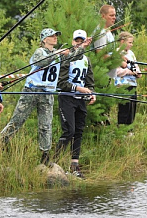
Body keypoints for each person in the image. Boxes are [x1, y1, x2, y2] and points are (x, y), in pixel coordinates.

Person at [0, 28, 70, 166]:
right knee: (17, 120)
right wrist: (58, 53)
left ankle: (45, 155)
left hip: (47, 93)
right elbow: (41, 62)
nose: (55, 37)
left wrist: (82, 47)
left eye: (56, 35)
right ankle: (2, 141)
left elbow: (74, 56)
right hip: (31, 91)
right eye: (52, 35)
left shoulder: (58, 54)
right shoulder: (40, 52)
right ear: (44, 39)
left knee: (46, 125)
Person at [56, 29, 95, 178]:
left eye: (82, 41)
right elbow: (61, 83)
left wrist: (91, 93)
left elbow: (90, 81)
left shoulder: (86, 60)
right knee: (69, 131)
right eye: (76, 41)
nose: (79, 43)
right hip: (67, 98)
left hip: (81, 101)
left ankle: (74, 166)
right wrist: (79, 89)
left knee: (78, 131)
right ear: (73, 42)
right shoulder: (67, 58)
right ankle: (54, 162)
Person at [114, 31, 141, 126]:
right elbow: (116, 71)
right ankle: (121, 128)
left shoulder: (131, 53)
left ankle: (129, 128)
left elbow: (136, 66)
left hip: (132, 83)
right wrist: (129, 72)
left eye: (132, 42)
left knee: (132, 107)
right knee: (124, 107)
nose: (131, 45)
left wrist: (138, 73)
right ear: (122, 41)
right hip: (122, 84)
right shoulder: (116, 53)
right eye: (129, 42)